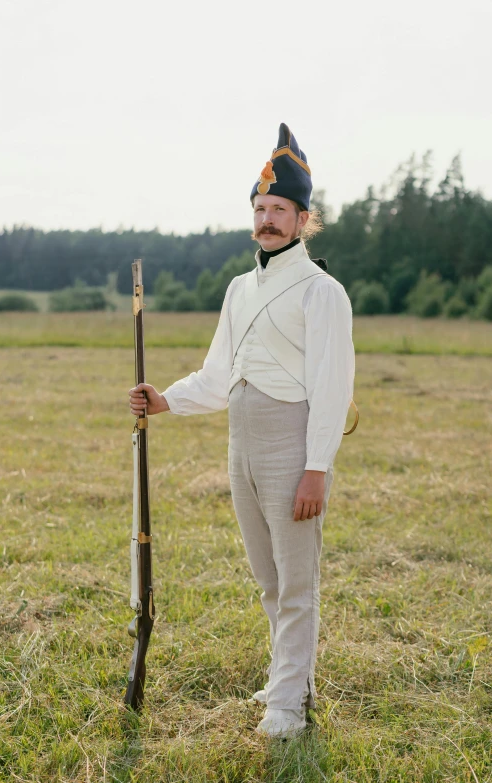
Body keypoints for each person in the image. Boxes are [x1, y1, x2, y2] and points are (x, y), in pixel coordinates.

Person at [129, 123, 355, 738]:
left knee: (296, 580)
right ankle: (292, 677)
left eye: (279, 209)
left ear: (304, 219)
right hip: (242, 442)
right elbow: (216, 374)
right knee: (268, 578)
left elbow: (333, 388)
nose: (267, 218)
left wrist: (318, 467)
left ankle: (287, 705)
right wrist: (165, 400)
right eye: (259, 208)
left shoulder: (322, 291)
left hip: (291, 441)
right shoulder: (237, 288)